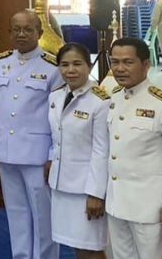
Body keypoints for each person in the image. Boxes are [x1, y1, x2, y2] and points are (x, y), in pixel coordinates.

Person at [0, 10, 61, 259]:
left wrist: (53, 154)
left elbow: (57, 118)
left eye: (28, 29)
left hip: (37, 155)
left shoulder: (52, 68)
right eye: (16, 30)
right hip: (7, 152)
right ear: (10, 32)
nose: (21, 34)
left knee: (43, 216)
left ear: (39, 33)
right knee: (16, 214)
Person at [105, 37, 162, 258]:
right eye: (115, 62)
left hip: (151, 207)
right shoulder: (114, 98)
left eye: (128, 62)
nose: (120, 68)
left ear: (146, 65)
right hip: (117, 203)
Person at [47, 43, 109, 258]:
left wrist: (96, 193)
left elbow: (101, 150)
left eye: (77, 64)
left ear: (89, 66)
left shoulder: (100, 101)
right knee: (75, 243)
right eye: (64, 65)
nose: (70, 70)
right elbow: (56, 137)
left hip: (85, 188)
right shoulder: (55, 97)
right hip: (61, 185)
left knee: (92, 246)